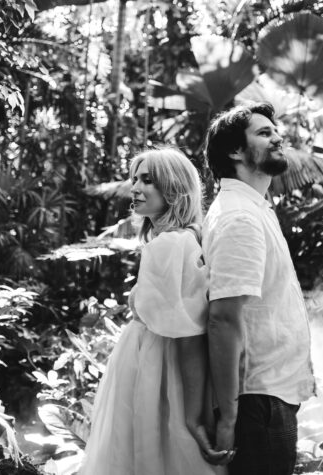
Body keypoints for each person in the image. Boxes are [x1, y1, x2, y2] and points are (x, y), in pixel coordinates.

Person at [81, 148, 228, 475]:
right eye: (134, 178)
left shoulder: (168, 246)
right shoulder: (189, 238)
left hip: (159, 369)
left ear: (173, 189)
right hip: (160, 364)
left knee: (155, 451)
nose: (134, 187)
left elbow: (189, 335)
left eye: (148, 180)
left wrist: (192, 417)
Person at [201, 102, 316, 475]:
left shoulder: (252, 209)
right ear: (235, 150)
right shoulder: (239, 217)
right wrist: (229, 418)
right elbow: (223, 318)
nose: (278, 137)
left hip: (269, 395)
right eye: (264, 133)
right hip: (256, 402)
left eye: (275, 131)